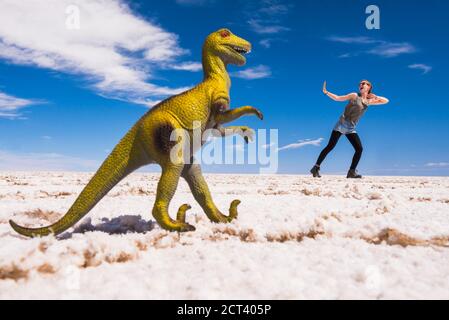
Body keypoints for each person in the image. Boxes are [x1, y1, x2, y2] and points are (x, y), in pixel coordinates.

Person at [311, 80, 389, 178]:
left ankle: (351, 172)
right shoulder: (354, 95)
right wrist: (326, 92)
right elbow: (338, 98)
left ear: (369, 87)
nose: (362, 84)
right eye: (361, 83)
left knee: (359, 149)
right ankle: (316, 167)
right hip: (342, 124)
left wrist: (375, 97)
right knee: (330, 146)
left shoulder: (369, 101)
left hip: (351, 128)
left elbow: (386, 101)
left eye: (365, 83)